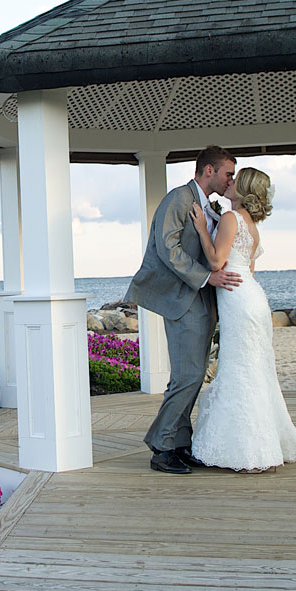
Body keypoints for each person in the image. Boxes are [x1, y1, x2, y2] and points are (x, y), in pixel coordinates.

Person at [125, 146, 242, 474]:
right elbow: (167, 247)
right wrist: (207, 276)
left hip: (203, 299)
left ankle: (179, 444)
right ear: (209, 171)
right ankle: (162, 446)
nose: (230, 179)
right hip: (182, 298)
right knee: (187, 377)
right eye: (227, 173)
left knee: (192, 377)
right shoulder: (178, 199)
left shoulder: (211, 206)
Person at [187, 167, 296, 473]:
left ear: (244, 189)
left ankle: (246, 450)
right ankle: (263, 445)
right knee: (255, 370)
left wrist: (202, 228)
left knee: (241, 369)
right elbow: (249, 269)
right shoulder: (251, 224)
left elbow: (217, 261)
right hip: (252, 296)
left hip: (238, 300)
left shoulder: (231, 218)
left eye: (235, 180)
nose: (230, 182)